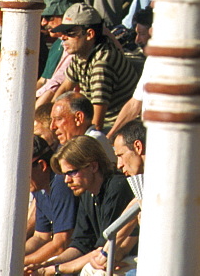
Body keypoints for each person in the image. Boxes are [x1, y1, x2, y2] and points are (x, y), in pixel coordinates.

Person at [27, 136, 137, 275]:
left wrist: (54, 269)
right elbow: (81, 244)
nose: (67, 180)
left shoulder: (117, 187)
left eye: (71, 172)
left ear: (93, 166)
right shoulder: (86, 193)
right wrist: (48, 264)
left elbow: (101, 251)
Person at [52, 3, 139, 128]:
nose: (63, 37)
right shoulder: (83, 53)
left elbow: (97, 122)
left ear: (89, 34)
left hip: (114, 127)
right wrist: (51, 118)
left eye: (70, 32)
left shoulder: (102, 63)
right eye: (63, 32)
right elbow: (65, 88)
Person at [25, 136, 79, 267]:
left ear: (42, 165)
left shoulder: (61, 184)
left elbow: (62, 243)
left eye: (24, 170)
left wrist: (21, 262)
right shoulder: (39, 187)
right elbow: (40, 237)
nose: (21, 177)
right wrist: (15, 254)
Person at [50, 92, 117, 162]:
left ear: (78, 118)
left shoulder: (92, 142)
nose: (52, 127)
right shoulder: (67, 145)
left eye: (58, 119)